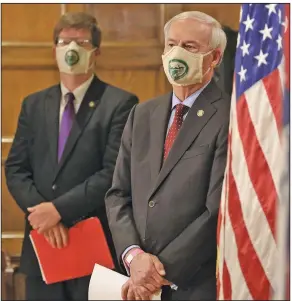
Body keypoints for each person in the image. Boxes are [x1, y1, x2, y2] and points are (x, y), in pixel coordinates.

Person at [5, 12, 138, 301]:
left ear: (96, 52)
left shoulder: (120, 104)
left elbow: (113, 173)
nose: (71, 49)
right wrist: (43, 214)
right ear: (54, 49)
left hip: (94, 247)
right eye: (65, 41)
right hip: (42, 248)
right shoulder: (34, 104)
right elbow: (15, 168)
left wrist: (59, 210)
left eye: (81, 42)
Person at [105, 11, 230, 300]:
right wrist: (134, 257)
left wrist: (155, 274)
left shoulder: (229, 116)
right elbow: (117, 195)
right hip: (136, 278)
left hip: (192, 285)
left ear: (215, 58)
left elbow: (217, 211)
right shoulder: (142, 114)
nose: (176, 54)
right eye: (171, 45)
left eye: (189, 47)